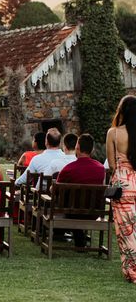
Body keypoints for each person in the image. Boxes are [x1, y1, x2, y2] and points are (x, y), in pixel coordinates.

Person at [56, 134, 106, 248]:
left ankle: (60, 233)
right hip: (94, 212)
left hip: (72, 212)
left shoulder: (68, 168)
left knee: (67, 200)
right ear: (92, 149)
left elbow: (56, 190)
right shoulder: (101, 168)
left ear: (77, 148)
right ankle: (78, 238)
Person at [106, 95, 136, 283]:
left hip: (123, 185)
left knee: (126, 230)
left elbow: (111, 164)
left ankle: (132, 270)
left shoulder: (114, 133)